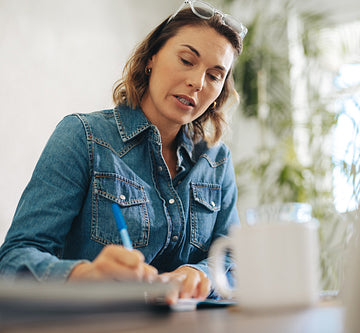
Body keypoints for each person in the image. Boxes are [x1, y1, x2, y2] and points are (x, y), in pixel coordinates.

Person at [0, 0, 247, 304]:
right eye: (186, 60)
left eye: (214, 75)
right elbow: (13, 259)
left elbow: (233, 261)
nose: (197, 82)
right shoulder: (83, 136)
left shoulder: (216, 160)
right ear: (151, 58)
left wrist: (200, 274)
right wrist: (84, 276)